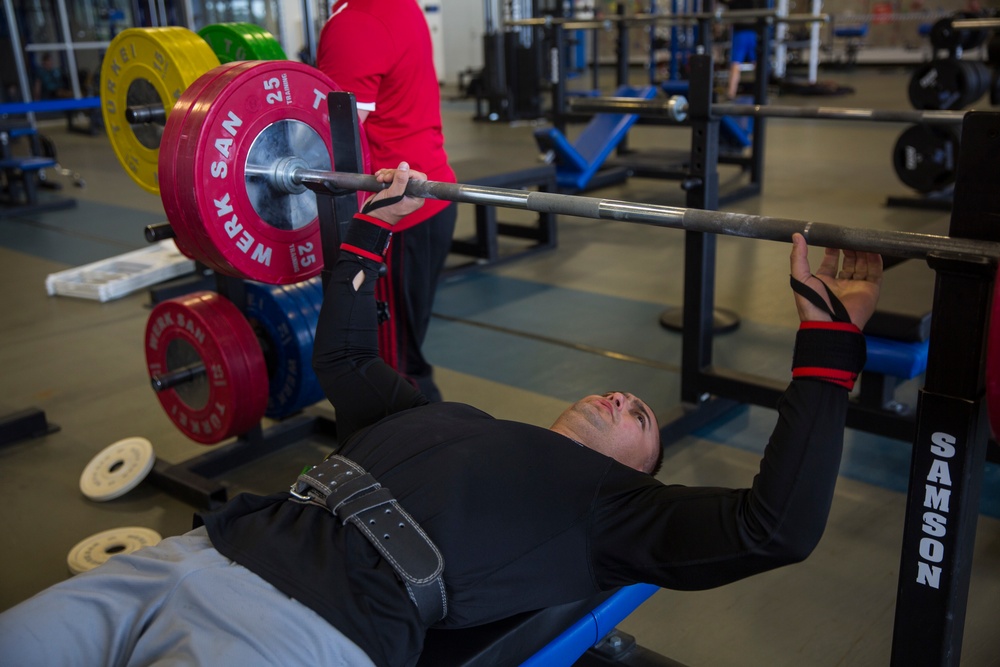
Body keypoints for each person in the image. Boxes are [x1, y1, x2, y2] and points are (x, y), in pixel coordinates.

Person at [0, 164, 883, 666]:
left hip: (296, 630)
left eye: (641, 417)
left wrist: (830, 343)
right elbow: (344, 358)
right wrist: (367, 235)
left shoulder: (611, 512)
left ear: (638, 469)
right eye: (627, 396)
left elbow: (777, 529)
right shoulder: (442, 417)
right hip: (197, 551)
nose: (623, 397)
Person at [315, 0, 458, 402]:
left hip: (395, 213)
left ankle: (412, 457)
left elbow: (327, 141)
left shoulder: (355, 22)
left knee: (386, 366)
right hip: (429, 197)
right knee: (402, 355)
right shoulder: (397, 5)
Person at [723, 0, 765, 100]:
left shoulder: (735, 3)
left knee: (736, 64)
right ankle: (761, 91)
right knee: (756, 63)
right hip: (752, 33)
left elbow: (728, 5)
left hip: (740, 34)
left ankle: (731, 93)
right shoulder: (755, 3)